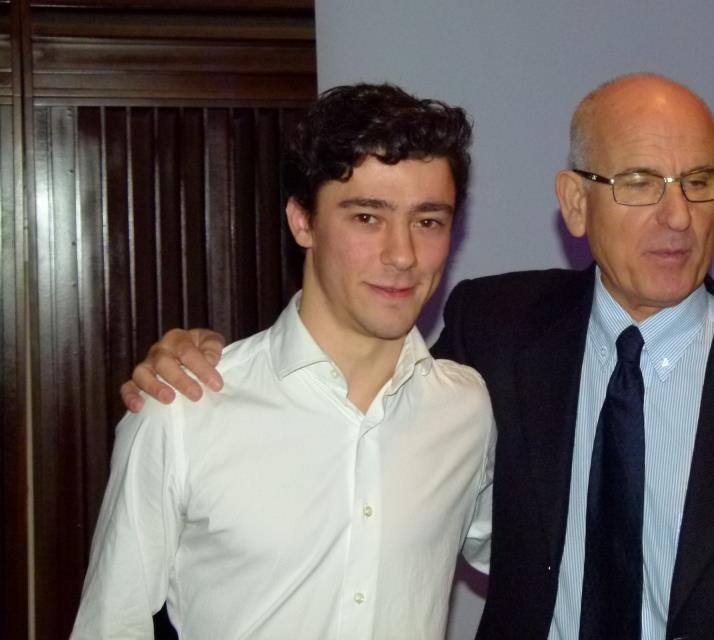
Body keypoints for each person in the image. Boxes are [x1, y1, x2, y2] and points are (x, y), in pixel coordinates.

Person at [122, 74, 714, 640]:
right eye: (640, 183)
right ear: (575, 203)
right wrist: (205, 356)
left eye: (699, 183)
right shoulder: (496, 332)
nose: (677, 216)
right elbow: (353, 391)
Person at [74, 84, 494, 639]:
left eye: (427, 221)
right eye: (367, 217)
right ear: (302, 221)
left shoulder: (466, 410)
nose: (402, 255)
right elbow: (111, 626)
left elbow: (544, 561)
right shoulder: (182, 410)